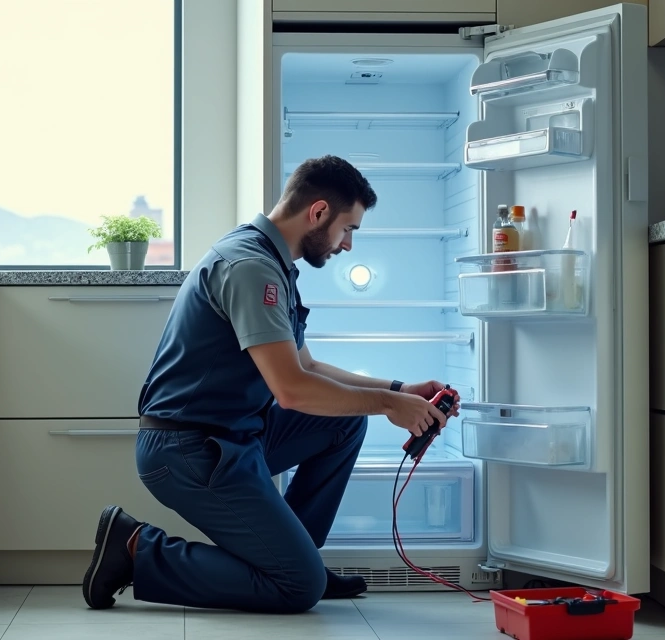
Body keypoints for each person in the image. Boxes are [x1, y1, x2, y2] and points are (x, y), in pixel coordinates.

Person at [81, 155, 461, 614]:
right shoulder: (250, 267)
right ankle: (135, 547)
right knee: (296, 589)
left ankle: (297, 557)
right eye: (349, 229)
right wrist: (386, 404)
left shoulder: (274, 263)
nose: (347, 246)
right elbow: (292, 390)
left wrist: (399, 390)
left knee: (344, 424)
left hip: (235, 437)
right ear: (318, 212)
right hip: (187, 449)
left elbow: (306, 365)